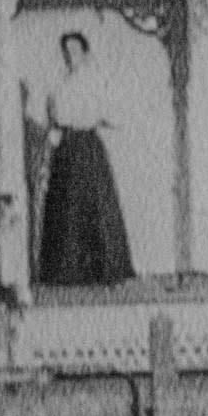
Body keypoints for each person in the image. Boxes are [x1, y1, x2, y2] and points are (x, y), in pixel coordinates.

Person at [37, 31, 135, 287]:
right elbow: (54, 116)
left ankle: (103, 270)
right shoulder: (59, 81)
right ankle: (66, 272)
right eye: (66, 51)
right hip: (65, 146)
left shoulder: (94, 80)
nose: (71, 56)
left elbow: (112, 113)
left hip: (86, 145)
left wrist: (95, 117)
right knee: (65, 206)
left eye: (75, 51)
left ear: (85, 53)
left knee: (94, 205)